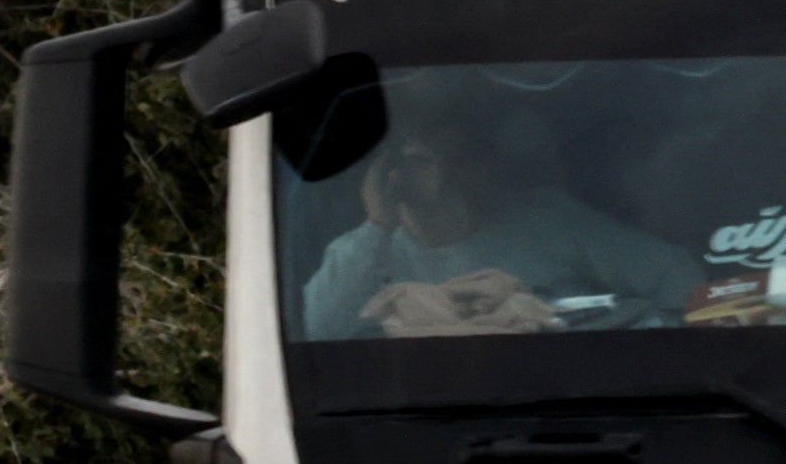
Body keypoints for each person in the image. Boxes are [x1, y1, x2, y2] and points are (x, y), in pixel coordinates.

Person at [297, 92, 703, 338]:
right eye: (421, 160)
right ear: (389, 173)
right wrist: (377, 225)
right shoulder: (364, 252)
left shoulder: (548, 222)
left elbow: (676, 278)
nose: (447, 172)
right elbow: (317, 330)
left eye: (459, 158)